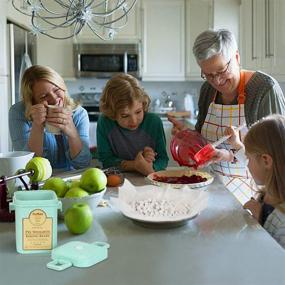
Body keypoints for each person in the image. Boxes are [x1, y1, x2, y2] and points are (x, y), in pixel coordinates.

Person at [168, 29, 285, 204]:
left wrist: (267, 209)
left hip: (252, 197)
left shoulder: (264, 89)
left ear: (236, 58)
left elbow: (278, 156)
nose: (216, 81)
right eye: (208, 74)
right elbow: (203, 139)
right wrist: (188, 137)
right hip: (210, 191)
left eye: (221, 71)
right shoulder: (208, 91)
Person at [9, 65, 91, 170]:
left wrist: (72, 132)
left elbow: (83, 164)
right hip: (36, 181)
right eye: (43, 96)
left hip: (70, 180)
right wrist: (37, 126)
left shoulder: (79, 114)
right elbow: (27, 166)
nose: (54, 99)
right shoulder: (18, 113)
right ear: (33, 101)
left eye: (57, 90)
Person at [225, 114, 285, 248]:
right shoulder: (271, 190)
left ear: (266, 160)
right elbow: (255, 162)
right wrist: (235, 144)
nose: (247, 164)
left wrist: (262, 217)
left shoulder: (280, 218)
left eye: (249, 159)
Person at [96, 73, 168, 176]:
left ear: (143, 105)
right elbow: (106, 160)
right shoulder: (104, 122)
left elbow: (163, 159)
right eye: (125, 116)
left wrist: (150, 165)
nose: (134, 121)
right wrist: (134, 165)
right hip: (118, 179)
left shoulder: (154, 122)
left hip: (150, 178)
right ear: (112, 113)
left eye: (138, 112)